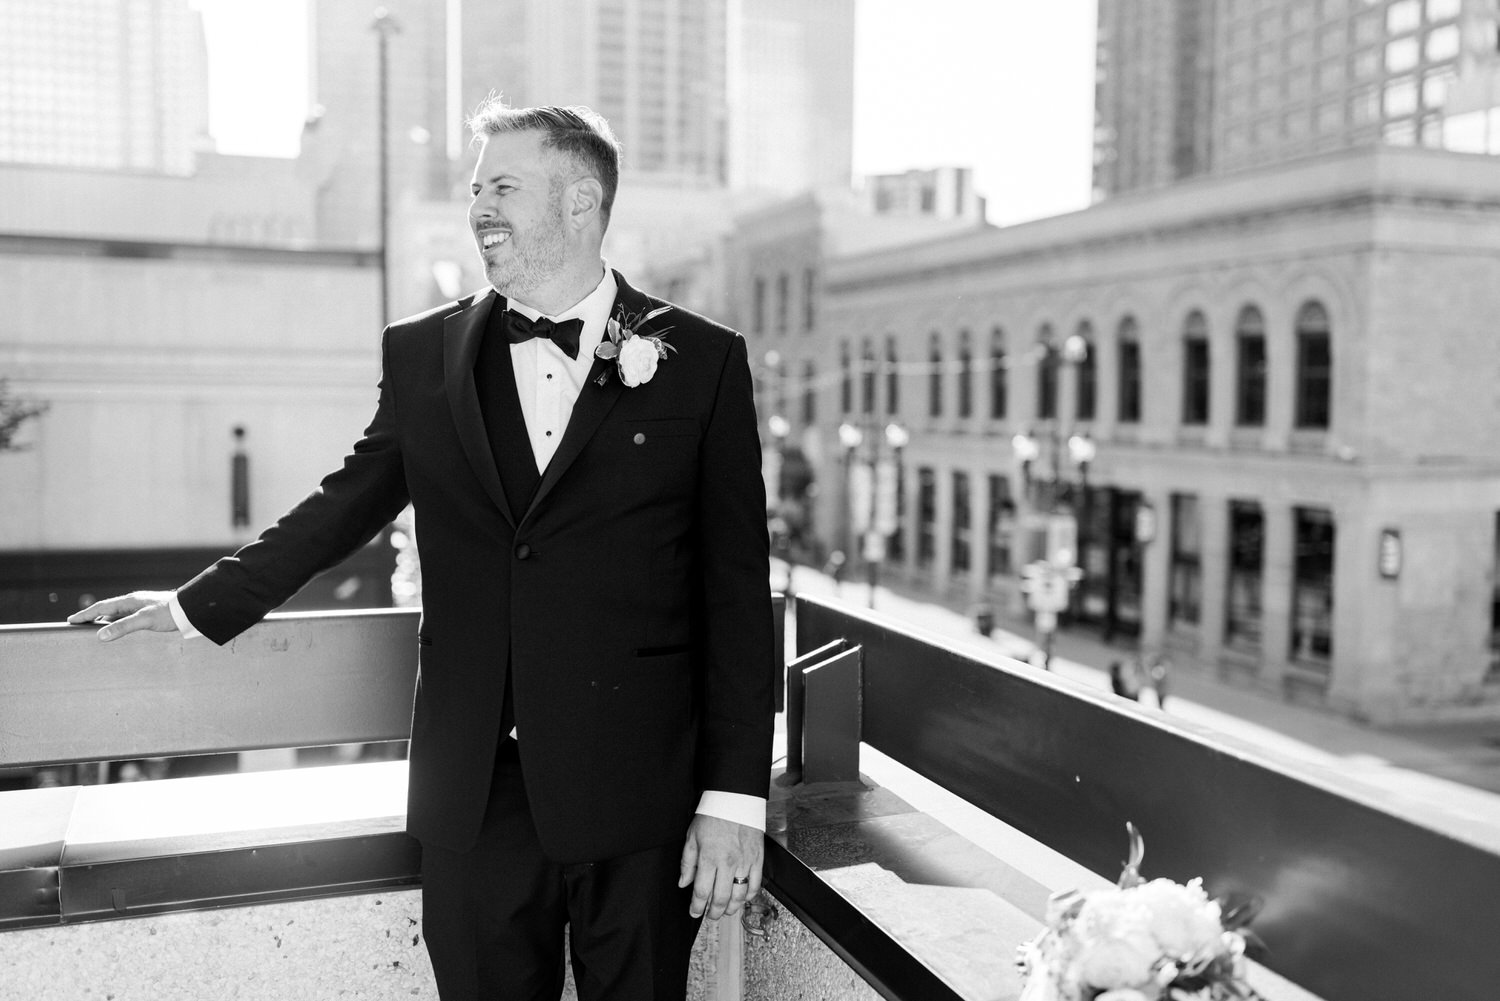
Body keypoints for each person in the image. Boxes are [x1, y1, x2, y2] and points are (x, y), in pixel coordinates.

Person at [68, 99, 776, 1001]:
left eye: (505, 186)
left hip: (641, 797)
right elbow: (342, 506)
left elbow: (736, 594)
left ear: (581, 200)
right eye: (475, 188)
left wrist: (733, 800)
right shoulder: (422, 356)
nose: (479, 207)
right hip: (474, 796)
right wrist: (189, 604)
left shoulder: (702, 362)